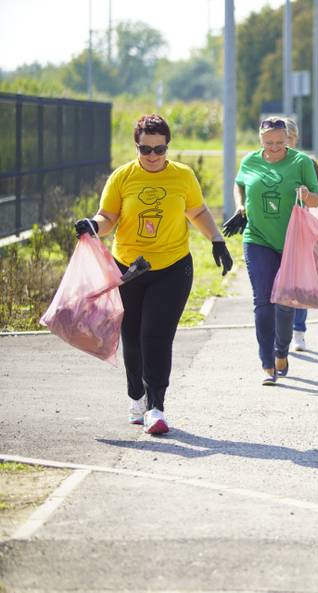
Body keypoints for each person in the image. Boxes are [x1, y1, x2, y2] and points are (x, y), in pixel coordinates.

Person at [74, 114, 233, 435]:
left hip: (173, 268)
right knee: (132, 338)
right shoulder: (122, 177)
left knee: (156, 336)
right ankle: (136, 396)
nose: (152, 156)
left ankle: (156, 407)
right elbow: (108, 216)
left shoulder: (182, 176)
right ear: (137, 146)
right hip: (128, 270)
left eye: (159, 150)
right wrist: (93, 225)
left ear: (167, 147)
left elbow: (198, 211)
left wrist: (216, 240)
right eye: (145, 149)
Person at [234, 116, 318, 385]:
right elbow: (240, 184)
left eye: (279, 143)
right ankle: (267, 362)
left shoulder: (301, 162)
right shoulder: (250, 161)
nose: (274, 148)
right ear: (260, 140)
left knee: (285, 302)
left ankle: (281, 350)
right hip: (257, 238)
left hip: (292, 241)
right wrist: (240, 206)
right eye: (268, 143)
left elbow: (317, 200)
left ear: (288, 139)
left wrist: (307, 195)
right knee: (263, 300)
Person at [283, 117, 318, 353]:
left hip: (302, 231)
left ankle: (299, 331)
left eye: (288, 137)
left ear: (295, 138)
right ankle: (282, 330)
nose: (283, 142)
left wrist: (307, 194)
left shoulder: (306, 161)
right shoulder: (268, 162)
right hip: (276, 230)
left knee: (301, 281)